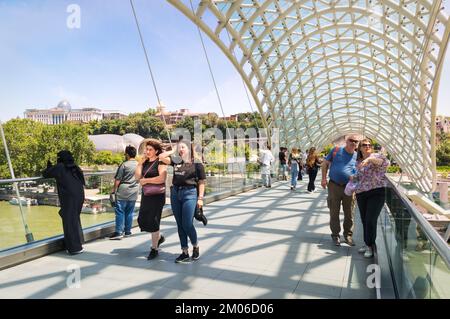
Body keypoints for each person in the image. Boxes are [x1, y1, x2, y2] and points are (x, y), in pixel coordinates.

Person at [159, 140, 206, 263]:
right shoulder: (176, 161)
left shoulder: (197, 164)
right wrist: (173, 150)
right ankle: (184, 252)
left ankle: (195, 246)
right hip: (175, 193)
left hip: (190, 193)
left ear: (189, 149)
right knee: (180, 224)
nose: (181, 150)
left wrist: (200, 198)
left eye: (183, 147)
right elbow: (161, 157)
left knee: (187, 224)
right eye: (179, 148)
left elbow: (201, 182)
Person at [42, 150, 85, 255]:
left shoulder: (60, 167)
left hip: (69, 197)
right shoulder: (74, 166)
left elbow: (45, 174)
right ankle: (77, 243)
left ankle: (75, 248)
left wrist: (49, 166)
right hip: (79, 195)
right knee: (73, 219)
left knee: (69, 221)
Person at [352, 138, 389, 258]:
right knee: (364, 220)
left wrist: (369, 159)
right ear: (360, 148)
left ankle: (370, 246)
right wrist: (353, 179)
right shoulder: (358, 161)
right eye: (364, 145)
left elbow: (384, 164)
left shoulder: (377, 156)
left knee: (370, 220)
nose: (367, 146)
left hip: (376, 192)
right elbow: (359, 177)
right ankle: (366, 243)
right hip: (362, 193)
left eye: (369, 144)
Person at [321, 135, 359, 246]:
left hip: (349, 187)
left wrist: (355, 181)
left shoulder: (357, 156)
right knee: (334, 211)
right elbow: (325, 164)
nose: (354, 143)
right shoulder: (336, 150)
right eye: (351, 140)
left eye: (356, 141)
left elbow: (359, 173)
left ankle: (348, 235)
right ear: (346, 141)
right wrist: (323, 179)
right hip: (334, 186)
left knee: (349, 213)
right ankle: (335, 235)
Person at [135, 139, 168, 260]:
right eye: (146, 149)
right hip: (146, 195)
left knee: (154, 221)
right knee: (142, 220)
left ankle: (154, 249)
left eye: (150, 150)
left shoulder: (160, 162)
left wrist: (147, 180)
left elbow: (162, 178)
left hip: (157, 196)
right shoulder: (144, 162)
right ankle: (159, 238)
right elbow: (137, 177)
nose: (147, 151)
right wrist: (140, 163)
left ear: (156, 151)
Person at [109, 145, 140, 240]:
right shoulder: (139, 164)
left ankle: (118, 232)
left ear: (127, 154)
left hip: (123, 191)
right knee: (130, 212)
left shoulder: (124, 165)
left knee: (119, 211)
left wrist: (113, 190)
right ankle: (127, 231)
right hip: (134, 191)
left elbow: (118, 179)